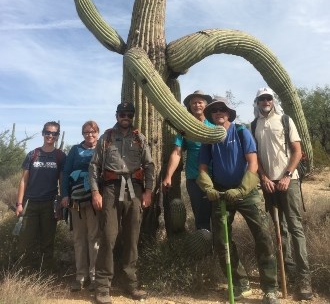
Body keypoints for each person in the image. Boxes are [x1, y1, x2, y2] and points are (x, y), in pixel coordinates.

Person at [197, 96, 279, 304]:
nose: (218, 113)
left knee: (262, 234)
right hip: (222, 193)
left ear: (229, 113)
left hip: (247, 192)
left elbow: (252, 163)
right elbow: (203, 168)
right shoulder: (209, 138)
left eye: (222, 110)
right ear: (211, 115)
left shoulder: (241, 131)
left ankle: (270, 288)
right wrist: (208, 187)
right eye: (214, 110)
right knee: (221, 239)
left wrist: (242, 189)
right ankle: (240, 283)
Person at [89, 101, 155, 304]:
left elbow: (149, 165)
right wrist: (95, 192)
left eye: (129, 114)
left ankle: (131, 284)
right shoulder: (107, 137)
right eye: (122, 113)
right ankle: (102, 287)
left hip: (134, 189)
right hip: (110, 188)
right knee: (108, 237)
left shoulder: (139, 138)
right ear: (117, 115)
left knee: (132, 237)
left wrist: (149, 191)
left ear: (132, 116)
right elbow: (94, 166)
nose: (125, 116)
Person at [253, 87, 313, 300]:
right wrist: (264, 177)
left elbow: (297, 150)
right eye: (262, 98)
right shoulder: (255, 124)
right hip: (269, 183)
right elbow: (255, 155)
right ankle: (287, 272)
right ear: (257, 102)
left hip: (289, 180)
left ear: (273, 100)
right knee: (280, 230)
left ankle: (304, 278)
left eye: (268, 97)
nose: (265, 101)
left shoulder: (285, 120)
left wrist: (287, 175)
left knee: (295, 227)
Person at [15, 121, 66, 272]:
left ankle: (45, 276)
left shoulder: (60, 156)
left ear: (57, 136)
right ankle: (24, 275)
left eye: (54, 133)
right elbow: (24, 180)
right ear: (43, 133)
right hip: (30, 203)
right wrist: (19, 204)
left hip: (50, 205)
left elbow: (62, 181)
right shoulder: (33, 154)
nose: (50, 135)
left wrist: (62, 203)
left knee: (47, 243)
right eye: (48, 132)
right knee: (25, 242)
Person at [163, 90, 213, 230]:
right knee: (201, 219)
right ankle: (205, 250)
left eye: (200, 102)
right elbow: (177, 152)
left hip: (215, 177)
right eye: (193, 103)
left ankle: (222, 250)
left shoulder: (214, 125)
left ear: (206, 105)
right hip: (195, 179)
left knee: (219, 217)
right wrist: (168, 176)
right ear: (189, 107)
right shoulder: (185, 128)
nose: (197, 105)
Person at [61, 121, 100, 291]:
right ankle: (80, 276)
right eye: (86, 132)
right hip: (76, 199)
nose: (89, 135)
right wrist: (64, 194)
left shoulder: (103, 148)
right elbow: (65, 173)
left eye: (92, 132)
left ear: (97, 133)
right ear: (82, 134)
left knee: (94, 238)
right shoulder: (75, 150)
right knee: (79, 239)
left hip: (95, 199)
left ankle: (94, 277)